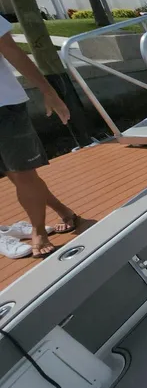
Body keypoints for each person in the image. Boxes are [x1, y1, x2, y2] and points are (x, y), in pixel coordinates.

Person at [0, 15, 79, 257]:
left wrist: (48, 91)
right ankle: (64, 211)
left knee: (23, 174)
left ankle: (38, 232)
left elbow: (11, 51)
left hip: (4, 106)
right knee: (15, 175)